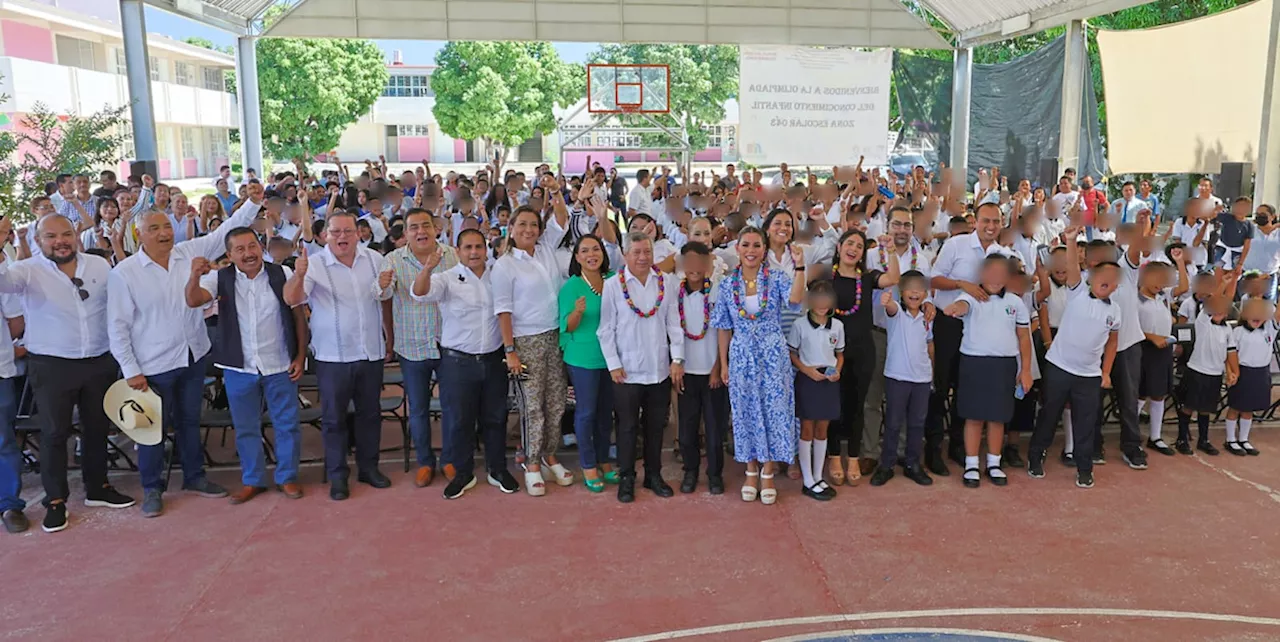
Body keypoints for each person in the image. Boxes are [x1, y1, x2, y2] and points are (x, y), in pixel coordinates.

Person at [108, 185, 263, 518]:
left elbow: (225, 231)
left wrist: (252, 202)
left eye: (166, 227)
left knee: (190, 421)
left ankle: (195, 477)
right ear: (139, 234)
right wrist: (130, 368)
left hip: (192, 356)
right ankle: (152, 488)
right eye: (154, 228)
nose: (163, 233)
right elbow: (117, 326)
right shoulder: (125, 274)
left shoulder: (189, 251)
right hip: (150, 365)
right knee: (150, 430)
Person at [0, 215, 133, 533]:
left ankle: (98, 488)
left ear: (76, 235)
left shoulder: (99, 266)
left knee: (97, 428)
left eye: (66, 234)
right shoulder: (25, 271)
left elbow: (117, 306)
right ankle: (56, 500)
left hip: (98, 360)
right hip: (51, 365)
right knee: (54, 434)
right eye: (50, 236)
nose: (60, 241)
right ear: (37, 239)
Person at [184, 227, 308, 503]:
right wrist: (194, 276)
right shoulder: (219, 278)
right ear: (229, 255)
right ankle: (253, 480)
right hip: (239, 367)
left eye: (252, 246)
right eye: (239, 249)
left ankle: (287, 478)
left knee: (287, 425)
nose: (248, 254)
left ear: (260, 246)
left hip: (280, 363)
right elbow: (193, 300)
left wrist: (300, 357)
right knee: (246, 427)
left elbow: (298, 316)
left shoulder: (282, 274)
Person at [283, 211, 394, 501]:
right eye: (335, 232)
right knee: (334, 420)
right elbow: (292, 299)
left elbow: (384, 297)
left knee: (370, 415)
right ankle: (337, 476)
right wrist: (298, 274)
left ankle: (369, 469)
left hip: (370, 352)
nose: (342, 237)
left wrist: (384, 288)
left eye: (348, 231)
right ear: (324, 236)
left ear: (358, 233)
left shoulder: (374, 259)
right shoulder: (315, 265)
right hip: (333, 357)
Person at [413, 228, 521, 499]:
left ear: (486, 249)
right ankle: (463, 473)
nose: (474, 253)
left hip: (494, 359)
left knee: (496, 417)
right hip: (457, 363)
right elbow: (420, 292)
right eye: (468, 248)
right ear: (458, 251)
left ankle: (497, 470)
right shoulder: (447, 278)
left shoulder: (499, 275)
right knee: (459, 420)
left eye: (478, 247)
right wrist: (427, 269)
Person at [712, 227, 806, 505]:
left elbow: (796, 300)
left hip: (773, 354)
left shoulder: (776, 278)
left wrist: (800, 265)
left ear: (764, 249)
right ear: (737, 249)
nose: (751, 250)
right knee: (745, 412)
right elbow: (723, 327)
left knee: (772, 411)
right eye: (746, 245)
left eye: (757, 245)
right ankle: (750, 469)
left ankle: (767, 471)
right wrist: (724, 363)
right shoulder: (728, 284)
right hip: (741, 355)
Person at [1027, 234, 1121, 489]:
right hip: (1059, 367)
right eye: (1104, 278)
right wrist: (1070, 241)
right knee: (1048, 415)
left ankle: (1084, 467)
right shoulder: (1077, 291)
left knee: (1086, 423)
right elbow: (1071, 265)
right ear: (1091, 277)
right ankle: (1036, 456)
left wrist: (1106, 372)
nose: (1108, 284)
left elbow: (1112, 342)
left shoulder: (1114, 310)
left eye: (1114, 282)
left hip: (1088, 376)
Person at [597, 232, 685, 503]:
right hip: (627, 370)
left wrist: (677, 359)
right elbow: (606, 329)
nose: (643, 257)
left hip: (658, 369)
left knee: (656, 426)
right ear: (625, 255)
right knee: (626, 427)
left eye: (646, 251)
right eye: (636, 252)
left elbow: (673, 323)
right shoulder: (613, 285)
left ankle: (653, 475)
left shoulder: (665, 282)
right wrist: (613, 364)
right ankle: (627, 477)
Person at [492, 204, 572, 495]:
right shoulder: (505, 265)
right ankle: (532, 463)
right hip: (526, 341)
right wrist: (510, 350)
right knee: (532, 407)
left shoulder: (546, 250)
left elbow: (561, 218)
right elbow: (503, 311)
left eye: (534, 225)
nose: (529, 230)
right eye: (522, 224)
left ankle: (550, 455)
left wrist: (554, 193)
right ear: (511, 228)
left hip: (555, 337)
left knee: (556, 402)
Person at [941, 254, 1033, 488]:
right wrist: (956, 308)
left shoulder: (1015, 302)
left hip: (1003, 366)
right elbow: (963, 306)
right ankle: (971, 464)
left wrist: (1026, 371)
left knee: (997, 417)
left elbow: (1024, 337)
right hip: (974, 363)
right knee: (973, 417)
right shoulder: (971, 297)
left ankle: (994, 462)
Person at [383, 209, 458, 487]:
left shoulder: (452, 255)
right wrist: (380, 287)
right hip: (412, 345)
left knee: (451, 405)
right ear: (406, 233)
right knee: (418, 409)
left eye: (425, 225)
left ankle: (449, 459)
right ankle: (425, 462)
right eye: (414, 227)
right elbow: (383, 295)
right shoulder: (392, 259)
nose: (420, 231)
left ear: (435, 228)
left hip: (450, 343)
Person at [929, 202, 1007, 472]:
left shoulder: (1002, 253)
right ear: (976, 221)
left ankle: (958, 447)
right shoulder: (956, 244)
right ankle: (933, 449)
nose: (991, 226)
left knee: (966, 388)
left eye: (996, 221)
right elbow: (934, 280)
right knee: (940, 387)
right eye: (986, 220)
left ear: (1002, 222)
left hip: (979, 330)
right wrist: (963, 284)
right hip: (948, 323)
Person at [558, 234, 618, 492]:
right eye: (585, 251)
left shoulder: (613, 280)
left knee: (606, 414)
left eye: (596, 249)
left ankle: (604, 460)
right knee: (586, 413)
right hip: (583, 357)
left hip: (611, 357)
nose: (592, 254)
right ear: (577, 257)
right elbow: (565, 326)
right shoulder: (571, 286)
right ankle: (588, 465)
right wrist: (577, 313)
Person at [873, 270, 934, 486]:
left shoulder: (928, 317)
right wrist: (887, 300)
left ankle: (912, 464)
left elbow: (930, 344)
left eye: (920, 288)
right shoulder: (897, 312)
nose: (915, 292)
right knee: (893, 422)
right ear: (901, 291)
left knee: (917, 423)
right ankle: (886, 464)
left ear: (926, 293)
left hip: (922, 379)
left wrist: (932, 373)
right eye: (910, 287)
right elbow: (890, 308)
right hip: (897, 377)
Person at [674, 242, 727, 495]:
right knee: (687, 429)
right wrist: (676, 365)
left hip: (712, 372)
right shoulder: (674, 294)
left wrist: (717, 367)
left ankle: (715, 474)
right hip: (686, 372)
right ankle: (690, 471)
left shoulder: (718, 292)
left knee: (715, 430)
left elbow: (724, 333)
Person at [788, 280, 844, 501]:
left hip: (829, 380)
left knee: (823, 429)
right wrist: (807, 370)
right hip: (808, 379)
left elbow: (839, 353)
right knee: (807, 429)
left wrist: (837, 371)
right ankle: (808, 479)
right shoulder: (800, 325)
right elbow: (792, 353)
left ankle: (818, 476)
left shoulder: (837, 326)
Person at [1174, 269, 1239, 455]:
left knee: (1206, 409)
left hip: (1215, 373)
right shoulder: (1203, 321)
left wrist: (1232, 371)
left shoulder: (1227, 330)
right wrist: (1224, 283)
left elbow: (1230, 352)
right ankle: (1182, 438)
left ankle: (1204, 439)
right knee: (1188, 406)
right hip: (1196, 371)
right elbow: (1214, 298)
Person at [1136, 256, 1188, 457]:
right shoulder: (1136, 300)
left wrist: (1180, 262)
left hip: (1163, 349)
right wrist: (1152, 337)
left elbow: (1183, 287)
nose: (1159, 284)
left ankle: (1155, 437)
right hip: (1143, 349)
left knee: (1159, 394)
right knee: (1140, 393)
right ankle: (1131, 436)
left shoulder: (1164, 296)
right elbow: (1130, 327)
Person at [1223, 298, 1277, 456]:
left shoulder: (1269, 329)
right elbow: (1230, 355)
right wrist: (1231, 372)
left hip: (1261, 373)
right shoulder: (1237, 332)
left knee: (1249, 409)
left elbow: (1278, 313)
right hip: (1243, 372)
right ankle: (1231, 439)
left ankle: (1243, 439)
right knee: (1235, 407)